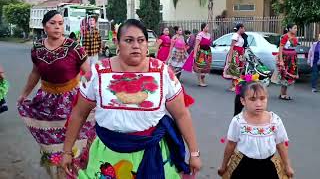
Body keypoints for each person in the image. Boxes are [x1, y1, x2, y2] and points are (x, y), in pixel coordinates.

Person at [61, 19, 202, 179]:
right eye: (129, 40)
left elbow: (181, 114)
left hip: (152, 155)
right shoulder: (97, 73)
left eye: (141, 40)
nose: (136, 45)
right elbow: (79, 113)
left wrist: (194, 153)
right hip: (107, 155)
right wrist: (66, 151)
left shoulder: (162, 72)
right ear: (117, 43)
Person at [17, 10, 95, 178]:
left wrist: (96, 97)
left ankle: (74, 172)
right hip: (46, 101)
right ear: (44, 26)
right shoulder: (37, 48)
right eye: (53, 23)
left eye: (60, 23)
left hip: (72, 101)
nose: (57, 27)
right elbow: (35, 73)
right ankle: (56, 172)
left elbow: (89, 75)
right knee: (51, 142)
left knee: (74, 141)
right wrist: (24, 93)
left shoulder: (74, 48)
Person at [218, 82, 294, 179]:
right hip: (243, 166)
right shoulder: (238, 121)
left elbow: (281, 144)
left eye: (262, 99)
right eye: (252, 99)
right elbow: (230, 145)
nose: (258, 104)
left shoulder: (275, 120)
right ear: (243, 101)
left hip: (269, 167)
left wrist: (287, 166)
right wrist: (223, 165)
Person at [272, 24, 299, 100]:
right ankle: (283, 94)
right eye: (295, 28)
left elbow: (294, 46)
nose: (296, 29)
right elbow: (280, 48)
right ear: (289, 29)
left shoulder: (294, 37)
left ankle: (283, 94)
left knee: (290, 75)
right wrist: (281, 60)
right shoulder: (285, 37)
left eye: (296, 28)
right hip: (286, 58)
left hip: (292, 58)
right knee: (285, 75)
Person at [223, 23, 246, 91]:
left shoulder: (241, 36)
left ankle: (235, 85)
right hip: (235, 53)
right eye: (243, 28)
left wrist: (242, 55)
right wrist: (230, 57)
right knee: (234, 68)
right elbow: (232, 46)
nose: (244, 30)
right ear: (240, 28)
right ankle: (233, 85)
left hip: (240, 54)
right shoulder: (235, 35)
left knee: (238, 69)